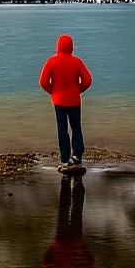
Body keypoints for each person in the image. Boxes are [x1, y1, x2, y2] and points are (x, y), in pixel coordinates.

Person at [38, 33, 93, 170]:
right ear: (71, 47)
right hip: (74, 101)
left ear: (58, 46)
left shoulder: (51, 61)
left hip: (59, 102)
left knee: (62, 130)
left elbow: (43, 82)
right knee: (76, 128)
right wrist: (78, 90)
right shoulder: (77, 62)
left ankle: (65, 160)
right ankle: (77, 157)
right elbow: (88, 80)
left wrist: (53, 92)